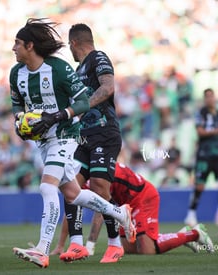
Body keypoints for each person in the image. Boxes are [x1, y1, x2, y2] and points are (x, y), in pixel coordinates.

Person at [10, 18, 135, 269]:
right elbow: (17, 104)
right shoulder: (17, 74)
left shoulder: (63, 68)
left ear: (30, 45)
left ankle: (43, 250)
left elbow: (86, 99)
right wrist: (19, 123)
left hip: (70, 134)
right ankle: (119, 214)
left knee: (48, 187)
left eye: (17, 43)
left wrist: (59, 115)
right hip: (51, 140)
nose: (13, 48)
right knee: (73, 193)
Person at [60, 23, 126, 264]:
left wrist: (84, 105)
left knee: (99, 187)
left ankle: (115, 245)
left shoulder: (98, 57)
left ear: (74, 43)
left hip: (104, 132)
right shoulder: (77, 70)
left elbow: (108, 87)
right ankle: (76, 244)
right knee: (69, 185)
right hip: (83, 136)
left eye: (70, 46)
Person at [51, 162, 214, 256]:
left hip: (143, 197)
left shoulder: (91, 177)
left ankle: (194, 234)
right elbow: (71, 212)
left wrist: (90, 246)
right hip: (125, 205)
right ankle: (181, 234)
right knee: (129, 249)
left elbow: (100, 212)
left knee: (147, 251)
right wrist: (60, 245)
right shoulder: (83, 176)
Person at [184, 88, 218, 227]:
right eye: (207, 97)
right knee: (200, 186)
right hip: (204, 155)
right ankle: (190, 214)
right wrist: (215, 131)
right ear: (205, 99)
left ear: (215, 97)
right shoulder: (201, 113)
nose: (210, 99)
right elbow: (200, 132)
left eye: (212, 96)